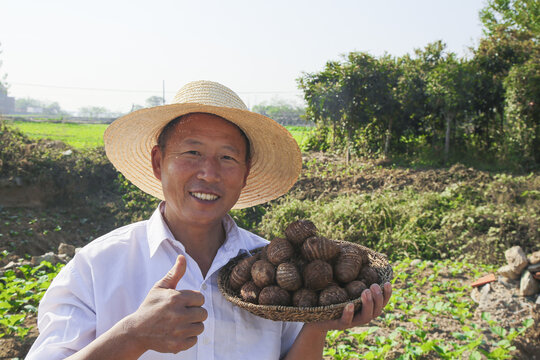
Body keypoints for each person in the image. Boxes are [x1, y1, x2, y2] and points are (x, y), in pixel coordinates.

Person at [26, 80, 392, 359]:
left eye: (227, 158)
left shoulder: (271, 265)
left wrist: (318, 326)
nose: (209, 173)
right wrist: (132, 335)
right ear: (158, 162)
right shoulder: (95, 267)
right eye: (192, 152)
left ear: (246, 173)